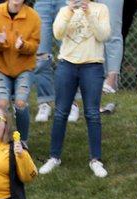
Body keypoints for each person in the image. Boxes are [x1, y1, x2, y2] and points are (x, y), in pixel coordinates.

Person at [39, 0, 112, 178]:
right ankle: (54, 157)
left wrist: (89, 15)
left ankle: (96, 159)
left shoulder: (101, 9)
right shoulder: (65, 10)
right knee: (61, 112)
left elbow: (104, 36)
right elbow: (58, 33)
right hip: (67, 65)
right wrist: (70, 12)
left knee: (92, 113)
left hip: (92, 66)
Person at [0, 0, 40, 140]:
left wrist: (23, 45)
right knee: (2, 104)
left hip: (24, 67)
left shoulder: (33, 16)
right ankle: (3, 139)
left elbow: (34, 45)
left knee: (20, 104)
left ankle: (22, 140)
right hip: (1, 67)